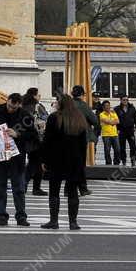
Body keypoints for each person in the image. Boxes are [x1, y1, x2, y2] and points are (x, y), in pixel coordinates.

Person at [0, 92, 36, 227]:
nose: (10, 109)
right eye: (9, 106)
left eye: (14, 107)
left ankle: (21, 216)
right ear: (7, 101)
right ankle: (2, 215)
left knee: (18, 187)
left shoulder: (25, 115)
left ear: (19, 105)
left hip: (16, 157)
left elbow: (33, 135)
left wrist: (18, 133)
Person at [41, 94, 88, 230]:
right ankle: (73, 222)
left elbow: (47, 141)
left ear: (61, 104)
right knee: (72, 191)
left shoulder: (54, 118)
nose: (55, 103)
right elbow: (83, 144)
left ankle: (54, 221)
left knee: (54, 190)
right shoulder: (79, 119)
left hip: (56, 159)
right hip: (75, 160)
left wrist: (44, 159)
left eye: (57, 101)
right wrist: (82, 164)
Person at [71, 85, 98, 195]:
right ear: (82, 95)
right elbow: (94, 120)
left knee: (70, 164)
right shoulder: (83, 105)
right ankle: (83, 188)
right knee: (80, 164)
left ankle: (69, 189)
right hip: (80, 137)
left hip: (67, 137)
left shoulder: (67, 104)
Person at [23, 89, 48, 196]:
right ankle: (29, 185)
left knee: (35, 163)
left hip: (28, 139)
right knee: (36, 163)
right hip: (38, 138)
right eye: (38, 94)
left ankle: (34, 187)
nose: (40, 96)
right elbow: (45, 119)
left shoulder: (23, 106)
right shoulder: (37, 107)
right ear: (34, 96)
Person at [115, 95, 136, 166]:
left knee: (133, 147)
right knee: (122, 147)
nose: (125, 101)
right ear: (121, 100)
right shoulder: (117, 109)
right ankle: (123, 160)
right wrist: (117, 129)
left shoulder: (132, 108)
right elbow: (115, 119)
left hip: (130, 130)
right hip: (121, 131)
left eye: (126, 100)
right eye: (124, 100)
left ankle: (133, 160)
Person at [98, 100, 120, 165]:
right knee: (107, 151)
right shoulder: (101, 114)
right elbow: (108, 121)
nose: (108, 107)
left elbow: (118, 121)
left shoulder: (113, 113)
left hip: (114, 134)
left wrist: (112, 122)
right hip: (106, 135)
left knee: (117, 150)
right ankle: (108, 163)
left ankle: (116, 163)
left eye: (108, 105)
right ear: (103, 107)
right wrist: (113, 121)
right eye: (106, 106)